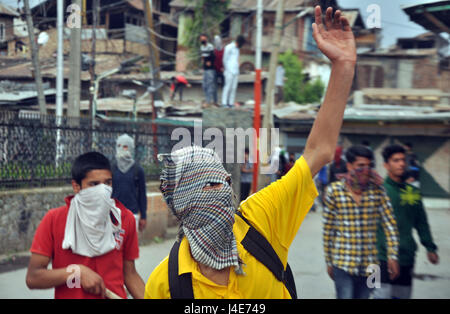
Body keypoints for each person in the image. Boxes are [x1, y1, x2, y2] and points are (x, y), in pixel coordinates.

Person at [144, 6, 359, 299]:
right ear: (182, 198)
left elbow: (319, 151)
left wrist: (344, 65)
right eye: (211, 183)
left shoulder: (261, 218)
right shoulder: (166, 283)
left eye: (225, 181)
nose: (225, 190)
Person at [26, 152, 145, 299]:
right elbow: (33, 277)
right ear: (76, 187)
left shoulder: (123, 218)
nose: (102, 190)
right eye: (94, 184)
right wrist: (77, 272)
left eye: (107, 183)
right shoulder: (54, 219)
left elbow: (130, 274)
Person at [322, 145, 400, 299]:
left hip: (371, 266)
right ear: (349, 166)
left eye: (369, 165)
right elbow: (328, 229)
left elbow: (390, 224)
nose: (366, 170)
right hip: (342, 263)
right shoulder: (334, 191)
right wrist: (329, 261)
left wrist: (392, 256)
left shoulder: (379, 191)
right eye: (360, 166)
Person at [373, 145, 439, 299]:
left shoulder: (412, 192)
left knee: (402, 296)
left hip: (405, 256)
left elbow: (421, 222)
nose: (401, 164)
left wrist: (430, 247)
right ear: (386, 165)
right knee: (376, 294)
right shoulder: (377, 192)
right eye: (396, 160)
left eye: (403, 160)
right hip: (376, 258)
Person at [112, 134, 147, 233]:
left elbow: (142, 194)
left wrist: (143, 216)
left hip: (132, 213)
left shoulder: (138, 170)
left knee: (130, 245)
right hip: (114, 213)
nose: (121, 149)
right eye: (119, 146)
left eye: (125, 146)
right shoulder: (112, 168)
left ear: (131, 148)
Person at [222, 35, 245, 108]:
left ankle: (231, 103)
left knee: (234, 87)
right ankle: (224, 103)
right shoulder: (229, 47)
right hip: (229, 70)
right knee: (227, 87)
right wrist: (227, 68)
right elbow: (224, 59)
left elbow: (236, 60)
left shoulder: (237, 49)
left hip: (235, 71)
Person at [199, 34, 216, 108]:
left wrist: (210, 62)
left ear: (206, 39)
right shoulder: (202, 47)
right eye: (201, 39)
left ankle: (208, 101)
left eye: (204, 39)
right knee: (204, 86)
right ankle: (207, 100)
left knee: (209, 85)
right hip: (205, 69)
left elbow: (213, 56)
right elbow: (202, 56)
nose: (203, 40)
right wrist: (203, 63)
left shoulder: (210, 46)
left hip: (210, 69)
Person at [213, 35, 225, 105]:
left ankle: (224, 101)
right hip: (215, 70)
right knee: (215, 87)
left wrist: (224, 67)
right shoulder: (214, 51)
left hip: (223, 71)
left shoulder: (224, 50)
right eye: (216, 41)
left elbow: (225, 59)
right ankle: (215, 101)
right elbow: (213, 61)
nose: (217, 42)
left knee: (224, 86)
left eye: (218, 41)